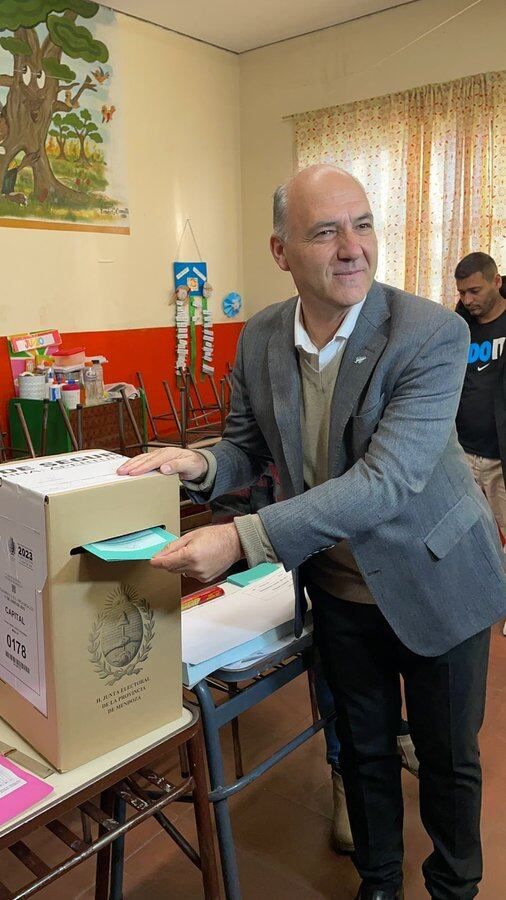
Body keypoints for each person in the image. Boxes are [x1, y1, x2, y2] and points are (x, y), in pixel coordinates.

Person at [118, 165, 506, 900]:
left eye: (362, 225)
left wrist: (240, 540)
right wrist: (197, 461)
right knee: (361, 752)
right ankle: (380, 884)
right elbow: (247, 447)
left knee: (448, 755)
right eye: (326, 232)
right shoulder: (262, 336)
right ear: (281, 251)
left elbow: (385, 482)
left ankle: (455, 887)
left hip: (438, 574)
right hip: (337, 589)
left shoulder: (430, 332)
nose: (352, 247)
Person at [454, 252, 505, 542]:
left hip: (500, 457)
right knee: (472, 537)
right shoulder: (458, 328)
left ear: (496, 281)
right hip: (463, 452)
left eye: (475, 291)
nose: (468, 299)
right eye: (462, 292)